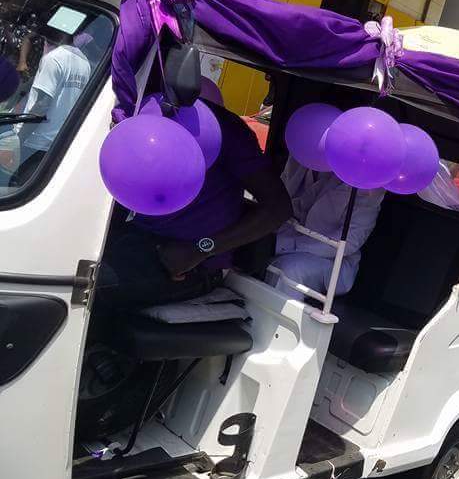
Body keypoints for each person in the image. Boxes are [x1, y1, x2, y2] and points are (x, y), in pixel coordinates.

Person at [95, 102, 293, 311]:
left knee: (84, 286)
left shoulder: (221, 128)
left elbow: (278, 208)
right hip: (135, 236)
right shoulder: (134, 111)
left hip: (190, 263)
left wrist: (199, 249)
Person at [270, 162, 383, 298]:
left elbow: (350, 241)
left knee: (289, 269)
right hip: (282, 235)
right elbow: (279, 199)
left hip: (331, 259)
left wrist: (283, 245)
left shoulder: (370, 181)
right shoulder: (301, 153)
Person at [14, 28, 90, 185]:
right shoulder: (84, 62)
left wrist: (19, 139)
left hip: (34, 140)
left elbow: (42, 105)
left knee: (15, 188)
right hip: (56, 142)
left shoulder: (53, 59)